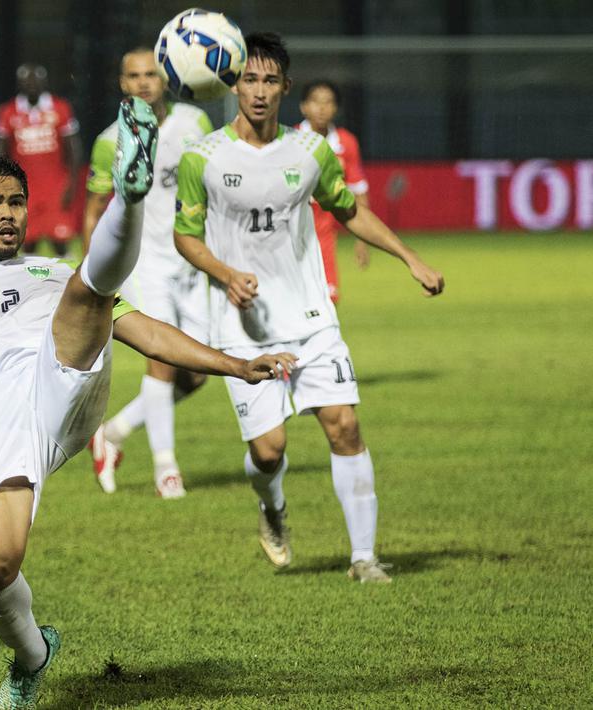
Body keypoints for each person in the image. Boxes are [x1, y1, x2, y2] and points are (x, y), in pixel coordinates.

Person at [0, 100, 294, 709]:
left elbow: (145, 330)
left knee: (87, 291)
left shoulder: (53, 272)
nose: (9, 215)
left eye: (15, 202)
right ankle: (33, 654)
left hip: (63, 379)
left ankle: (131, 190)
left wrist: (233, 364)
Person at [173, 33, 445, 583]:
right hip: (246, 329)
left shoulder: (311, 150)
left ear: (285, 89)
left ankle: (363, 557)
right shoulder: (201, 157)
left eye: (270, 80)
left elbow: (348, 210)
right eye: (249, 78)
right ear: (233, 84)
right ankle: (272, 510)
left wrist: (408, 257)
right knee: (269, 453)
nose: (259, 90)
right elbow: (186, 236)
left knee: (344, 426)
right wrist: (225, 274)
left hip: (313, 319)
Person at [82, 47, 215, 498]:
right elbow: (93, 212)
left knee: (197, 372)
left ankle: (114, 431)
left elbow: (213, 183)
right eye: (134, 75)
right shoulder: (108, 141)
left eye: (151, 75)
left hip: (191, 261)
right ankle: (166, 469)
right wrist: (91, 280)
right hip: (144, 263)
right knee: (161, 358)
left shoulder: (194, 123)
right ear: (123, 83)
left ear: (166, 79)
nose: (143, 82)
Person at [0, 63, 84, 257]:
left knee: (60, 241)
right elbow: (0, 149)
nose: (32, 85)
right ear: (20, 84)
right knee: (27, 240)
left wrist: (72, 182)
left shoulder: (60, 108)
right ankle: (31, 284)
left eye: (36, 81)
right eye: (27, 81)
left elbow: (73, 148)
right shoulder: (8, 111)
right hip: (23, 187)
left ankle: (67, 282)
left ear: (45, 83)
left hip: (56, 187)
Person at [298, 79, 371, 303]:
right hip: (291, 232)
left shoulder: (346, 143)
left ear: (336, 109)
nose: (321, 108)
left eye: (328, 102)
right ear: (303, 106)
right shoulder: (290, 139)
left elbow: (358, 191)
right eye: (315, 102)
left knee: (329, 301)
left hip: (324, 236)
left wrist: (362, 240)